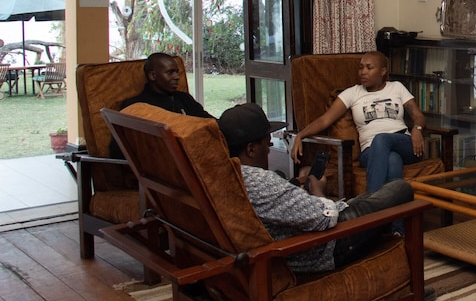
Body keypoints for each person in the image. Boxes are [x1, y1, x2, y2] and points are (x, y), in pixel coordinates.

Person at [218, 103, 415, 272]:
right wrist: (319, 190)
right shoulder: (260, 181)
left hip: (309, 230)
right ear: (251, 149)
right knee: (400, 189)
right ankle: (401, 255)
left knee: (371, 196)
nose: (269, 151)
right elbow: (326, 217)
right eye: (267, 145)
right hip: (327, 244)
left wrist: (296, 190)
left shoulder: (226, 175)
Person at [289, 51, 426, 232]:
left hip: (404, 143)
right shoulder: (352, 93)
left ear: (383, 71)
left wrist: (417, 129)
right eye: (361, 68)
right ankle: (396, 229)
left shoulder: (397, 88)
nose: (363, 72)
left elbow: (418, 115)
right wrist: (300, 135)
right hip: (370, 151)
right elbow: (325, 120)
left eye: (369, 68)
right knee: (392, 160)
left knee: (383, 139)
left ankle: (370, 215)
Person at [109, 52, 214, 159]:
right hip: (161, 163)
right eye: (170, 72)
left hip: (199, 154)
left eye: (177, 72)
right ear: (153, 75)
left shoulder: (184, 98)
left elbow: (211, 124)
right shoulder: (135, 107)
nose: (177, 77)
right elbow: (118, 150)